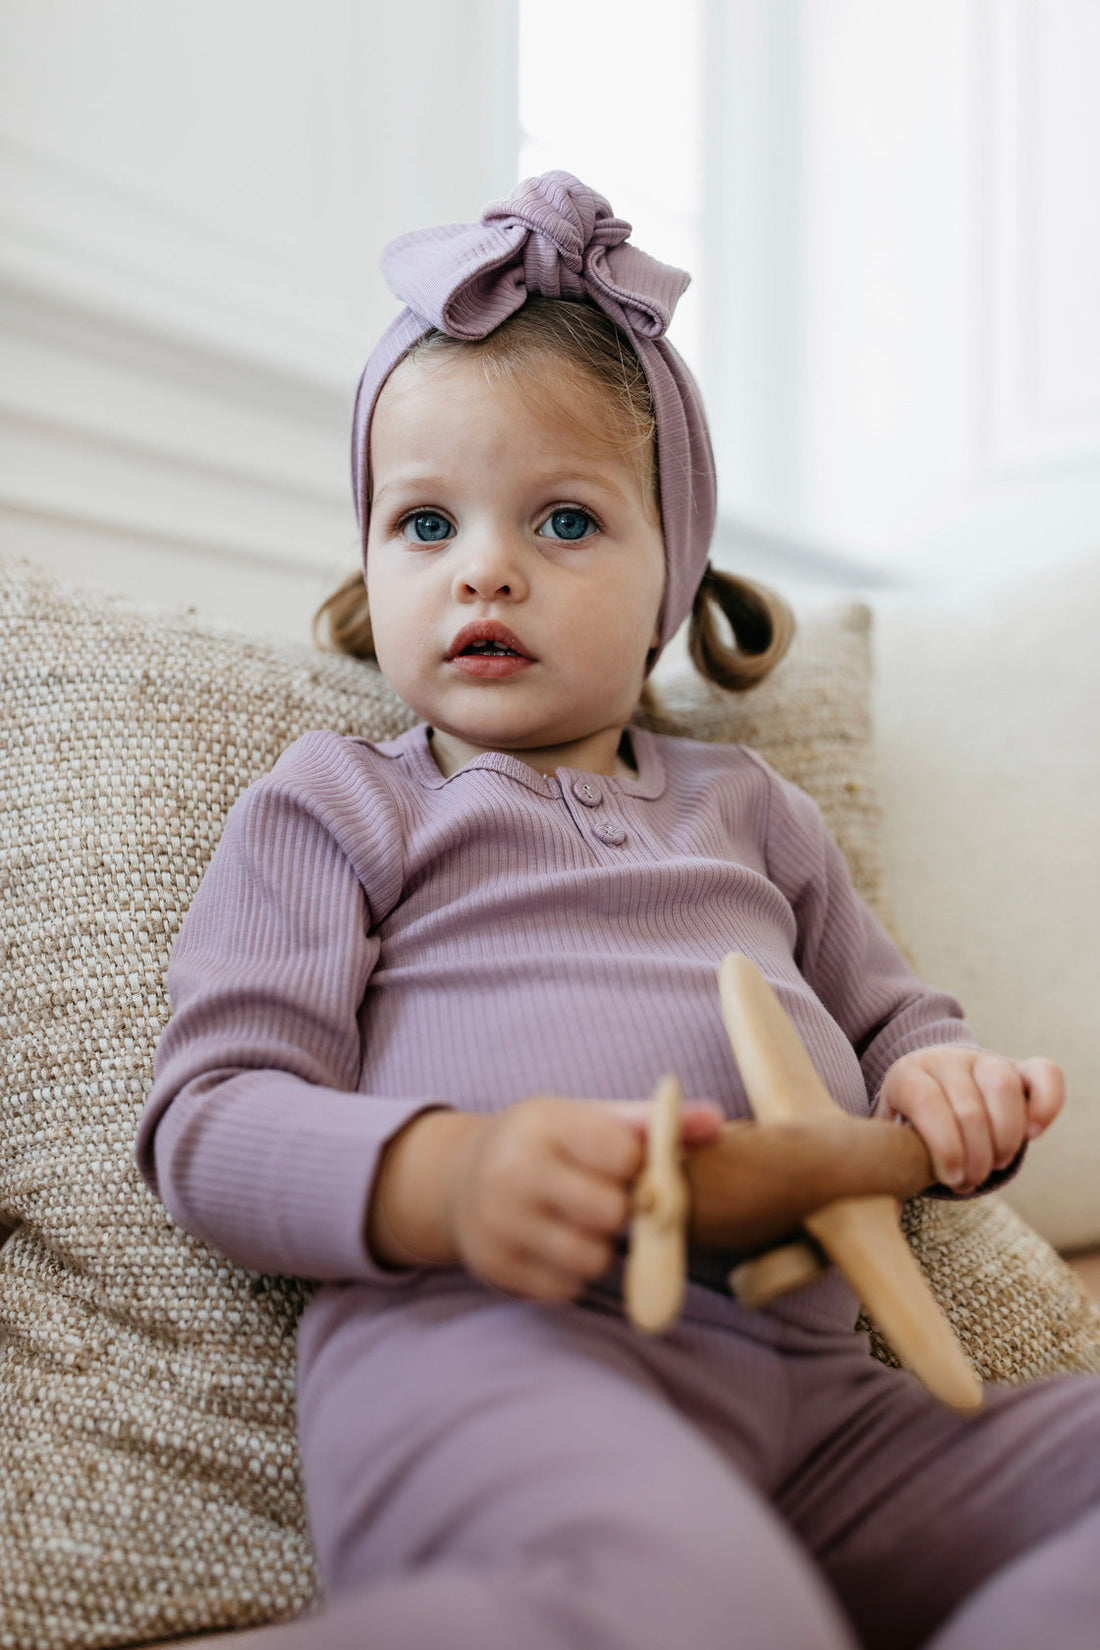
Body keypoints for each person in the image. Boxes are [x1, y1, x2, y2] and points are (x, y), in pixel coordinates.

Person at [136, 172, 1100, 1650]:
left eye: (566, 517)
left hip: (824, 1403)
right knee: (696, 1604)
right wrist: (446, 1176)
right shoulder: (340, 804)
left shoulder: (751, 811)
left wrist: (944, 1086)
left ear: (672, 572)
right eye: (425, 522)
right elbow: (208, 1115)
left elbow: (897, 1017)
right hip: (488, 1352)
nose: (485, 567)